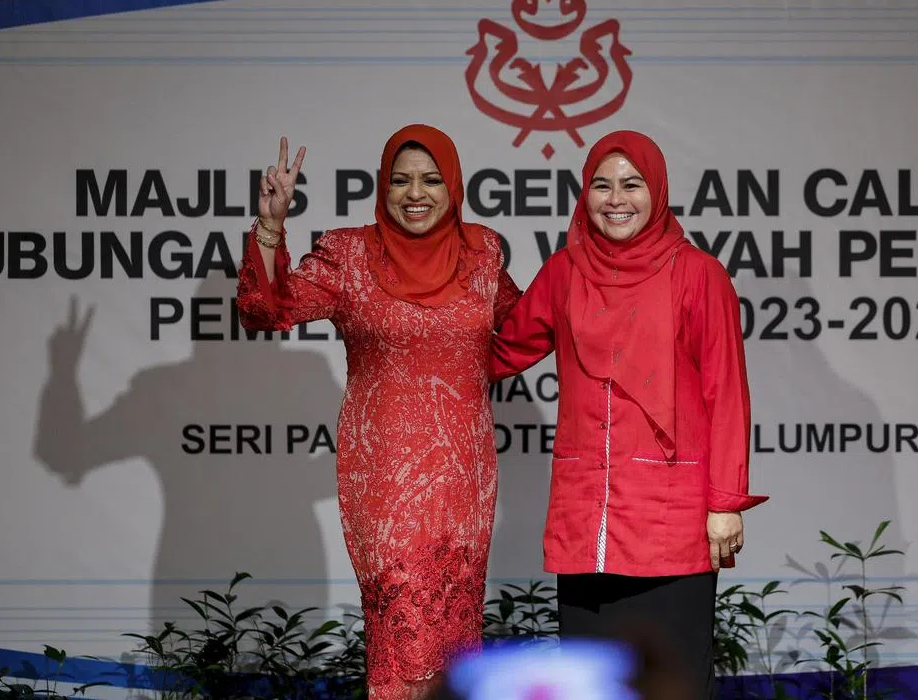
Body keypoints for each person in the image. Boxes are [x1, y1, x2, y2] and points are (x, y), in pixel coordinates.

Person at [236, 125, 522, 700]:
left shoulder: (483, 250)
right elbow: (264, 310)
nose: (415, 192)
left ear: (453, 186)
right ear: (382, 187)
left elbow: (524, 328)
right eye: (400, 180)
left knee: (455, 638)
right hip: (387, 479)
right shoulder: (348, 254)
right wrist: (271, 224)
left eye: (431, 179)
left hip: (464, 479)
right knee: (405, 635)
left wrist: (597, 282)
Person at [488, 130, 768, 699]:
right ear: (583, 194)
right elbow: (500, 352)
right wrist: (424, 314)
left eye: (632, 184)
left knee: (674, 684)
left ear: (658, 191)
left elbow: (727, 396)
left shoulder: (698, 275)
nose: (616, 199)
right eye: (601, 185)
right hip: (587, 514)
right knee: (591, 686)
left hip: (673, 518)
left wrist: (725, 504)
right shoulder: (565, 272)